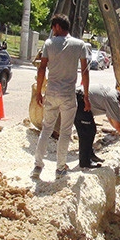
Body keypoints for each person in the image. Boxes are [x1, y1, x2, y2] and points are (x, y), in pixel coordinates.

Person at [32, 14, 90, 180]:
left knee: (46, 129)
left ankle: (37, 166)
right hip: (68, 95)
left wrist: (38, 92)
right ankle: (59, 168)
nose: (52, 31)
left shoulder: (49, 44)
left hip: (51, 93)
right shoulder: (80, 45)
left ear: (57, 26)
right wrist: (86, 96)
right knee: (65, 132)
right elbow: (85, 72)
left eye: (53, 27)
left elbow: (42, 69)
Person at [74, 84, 120, 168]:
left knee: (89, 131)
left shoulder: (113, 95)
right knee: (87, 132)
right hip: (80, 101)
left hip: (78, 97)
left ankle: (89, 155)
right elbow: (117, 125)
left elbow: (111, 118)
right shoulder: (113, 101)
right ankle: (85, 162)